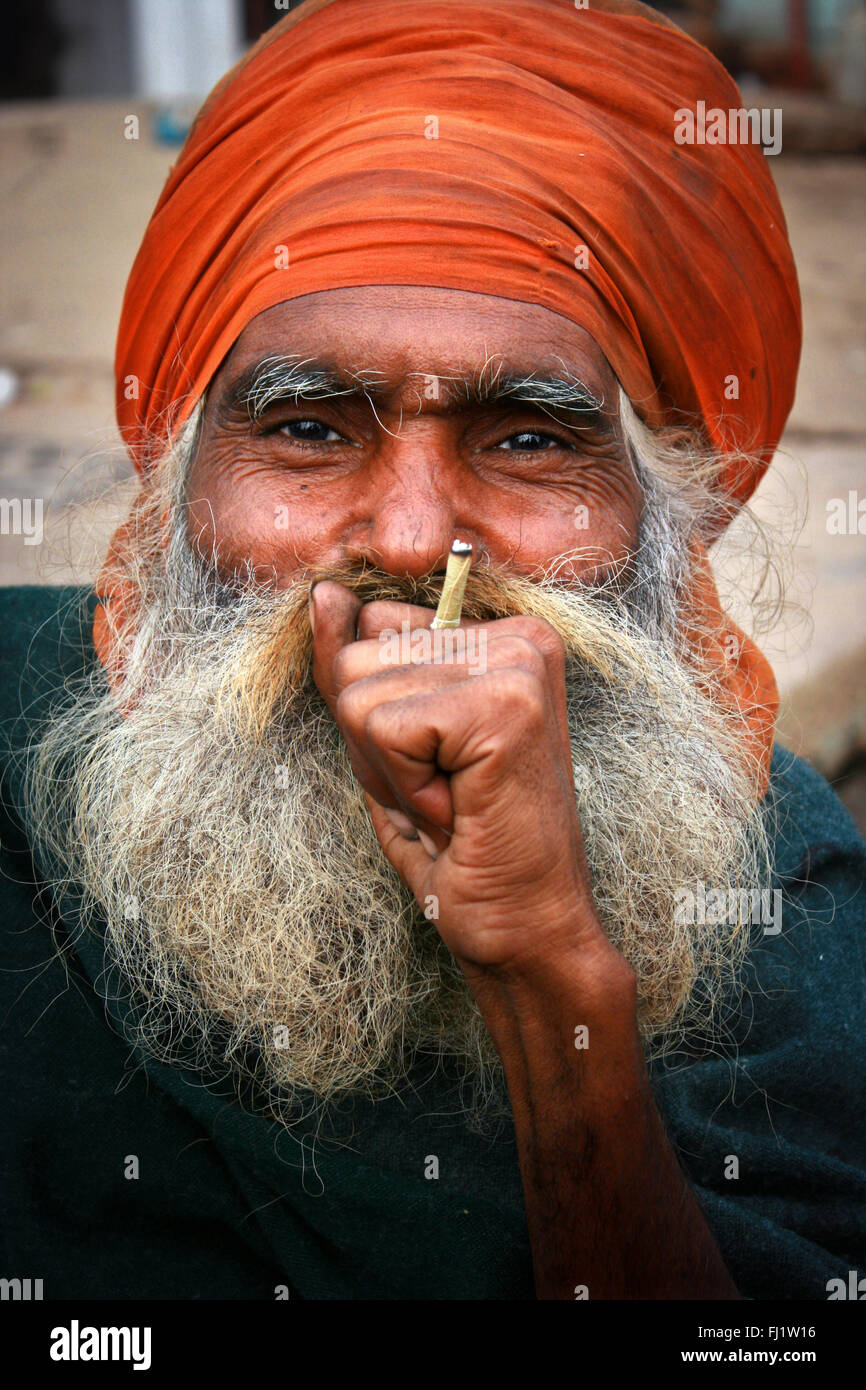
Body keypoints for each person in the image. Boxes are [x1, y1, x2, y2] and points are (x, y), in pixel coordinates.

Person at [1, 0, 863, 1301]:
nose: (411, 540)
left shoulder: (779, 895)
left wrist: (549, 978)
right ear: (173, 476)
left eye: (525, 436)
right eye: (305, 428)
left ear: (663, 517)